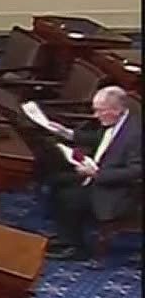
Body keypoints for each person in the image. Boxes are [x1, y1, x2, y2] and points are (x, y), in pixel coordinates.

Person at [36, 85, 140, 261]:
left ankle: (77, 248)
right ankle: (66, 236)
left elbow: (136, 171)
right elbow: (101, 139)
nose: (95, 116)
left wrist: (96, 174)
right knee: (56, 180)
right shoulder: (117, 120)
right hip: (98, 174)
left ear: (116, 110)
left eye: (100, 111)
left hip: (120, 192)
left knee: (69, 197)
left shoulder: (136, 133)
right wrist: (67, 133)